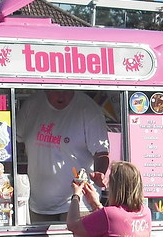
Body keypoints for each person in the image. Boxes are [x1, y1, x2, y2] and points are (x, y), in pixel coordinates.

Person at [16, 89, 110, 222]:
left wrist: (100, 173)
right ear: (46, 90)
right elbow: (16, 141)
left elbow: (101, 151)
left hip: (79, 201)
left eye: (66, 91)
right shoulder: (32, 105)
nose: (61, 95)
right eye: (56, 90)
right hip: (39, 202)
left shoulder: (88, 109)